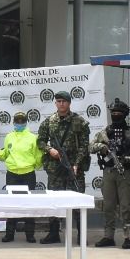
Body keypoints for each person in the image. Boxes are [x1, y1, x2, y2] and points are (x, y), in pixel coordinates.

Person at [36, 90, 90, 245]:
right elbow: (40, 141)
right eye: (58, 101)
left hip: (73, 167)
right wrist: (50, 150)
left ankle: (81, 235)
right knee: (54, 200)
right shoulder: (49, 121)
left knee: (78, 201)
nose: (61, 104)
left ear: (69, 103)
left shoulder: (79, 122)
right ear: (55, 103)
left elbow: (84, 146)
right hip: (56, 167)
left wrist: (76, 164)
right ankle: (53, 233)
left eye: (64, 101)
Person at [91, 97, 130, 249]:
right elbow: (91, 146)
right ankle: (108, 236)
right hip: (109, 172)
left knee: (126, 207)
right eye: (113, 112)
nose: (115, 115)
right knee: (108, 206)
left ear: (124, 114)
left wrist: (128, 158)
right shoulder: (105, 132)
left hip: (125, 173)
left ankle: (128, 237)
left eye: (119, 113)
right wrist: (102, 147)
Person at [0, 109, 41, 242]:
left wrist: (34, 166)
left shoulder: (33, 138)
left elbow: (38, 155)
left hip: (28, 174)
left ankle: (30, 234)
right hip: (12, 174)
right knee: (12, 204)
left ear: (26, 122)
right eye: (17, 121)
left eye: (22, 121)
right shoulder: (9, 137)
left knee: (29, 204)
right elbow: (6, 153)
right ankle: (9, 234)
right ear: (13, 122)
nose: (19, 123)